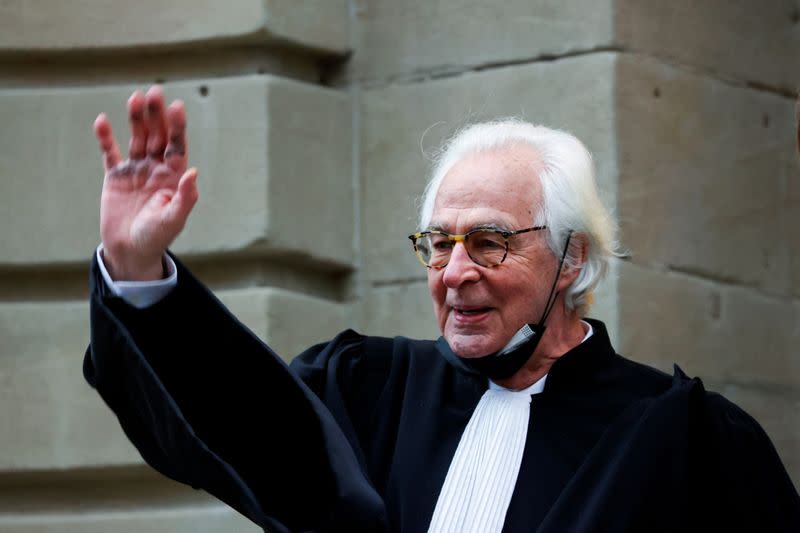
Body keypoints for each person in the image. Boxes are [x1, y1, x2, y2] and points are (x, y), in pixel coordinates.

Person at [85, 86, 800, 533]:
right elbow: (224, 420)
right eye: (438, 243)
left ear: (572, 260)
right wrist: (136, 267)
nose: (454, 271)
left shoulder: (686, 440)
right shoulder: (369, 389)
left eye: (489, 242)